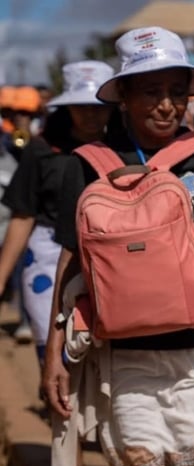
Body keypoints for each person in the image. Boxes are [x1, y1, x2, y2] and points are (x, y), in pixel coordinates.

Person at [41, 27, 194, 466]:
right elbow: (71, 266)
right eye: (151, 91)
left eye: (176, 92)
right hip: (124, 362)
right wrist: (55, 352)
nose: (168, 105)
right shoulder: (86, 166)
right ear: (123, 95)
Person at [0, 61, 114, 365]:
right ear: (68, 107)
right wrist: (1, 278)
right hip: (47, 255)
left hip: (108, 254)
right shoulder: (41, 150)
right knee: (51, 338)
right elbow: (23, 216)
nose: (91, 114)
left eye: (98, 106)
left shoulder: (123, 150)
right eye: (82, 106)